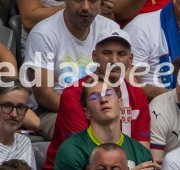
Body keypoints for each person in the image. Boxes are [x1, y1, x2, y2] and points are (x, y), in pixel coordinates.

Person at [43, 28, 151, 170]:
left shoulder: (138, 95)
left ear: (131, 59)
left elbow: (141, 155)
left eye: (121, 54)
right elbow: (81, 153)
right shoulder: (73, 94)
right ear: (94, 56)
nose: (114, 60)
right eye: (107, 53)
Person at [53, 77, 157, 170]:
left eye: (108, 94)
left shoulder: (141, 153)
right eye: (94, 97)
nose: (103, 100)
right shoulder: (71, 149)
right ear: (87, 112)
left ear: (120, 103)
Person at [23, 0, 120, 139]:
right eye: (78, 0)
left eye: (92, 1)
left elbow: (121, 78)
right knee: (85, 138)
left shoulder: (110, 29)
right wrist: (87, 111)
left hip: (101, 105)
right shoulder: (43, 33)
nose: (86, 7)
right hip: (53, 111)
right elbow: (44, 94)